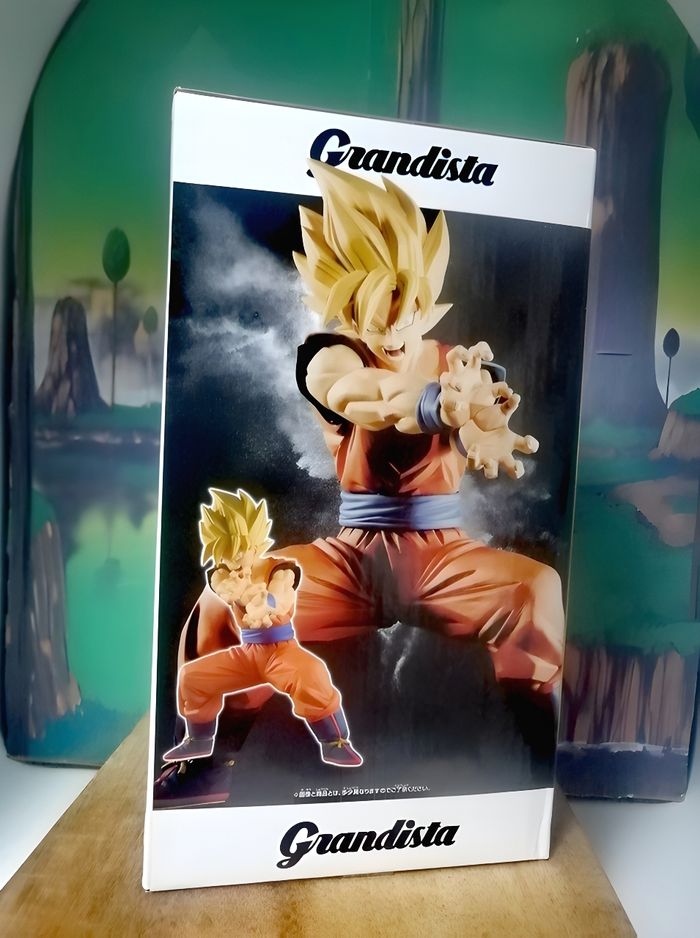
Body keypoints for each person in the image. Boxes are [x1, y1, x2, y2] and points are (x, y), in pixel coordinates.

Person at [277, 161, 564, 696]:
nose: (391, 331)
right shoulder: (330, 357)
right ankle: (202, 743)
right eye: (370, 314)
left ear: (425, 295)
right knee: (228, 602)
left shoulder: (459, 364)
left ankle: (535, 736)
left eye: (403, 308)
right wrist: (437, 404)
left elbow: (477, 416)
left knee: (537, 593)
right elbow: (368, 396)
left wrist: (481, 426)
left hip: (441, 560)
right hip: (351, 563)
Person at [163, 487, 362, 768]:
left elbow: (282, 594)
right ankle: (198, 739)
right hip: (247, 654)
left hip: (281, 651)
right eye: (225, 555)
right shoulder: (222, 573)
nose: (232, 561)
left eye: (238, 553)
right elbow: (226, 588)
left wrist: (266, 603)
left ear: (255, 546)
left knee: (312, 674)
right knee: (193, 677)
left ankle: (335, 742)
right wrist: (243, 593)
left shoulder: (280, 568)